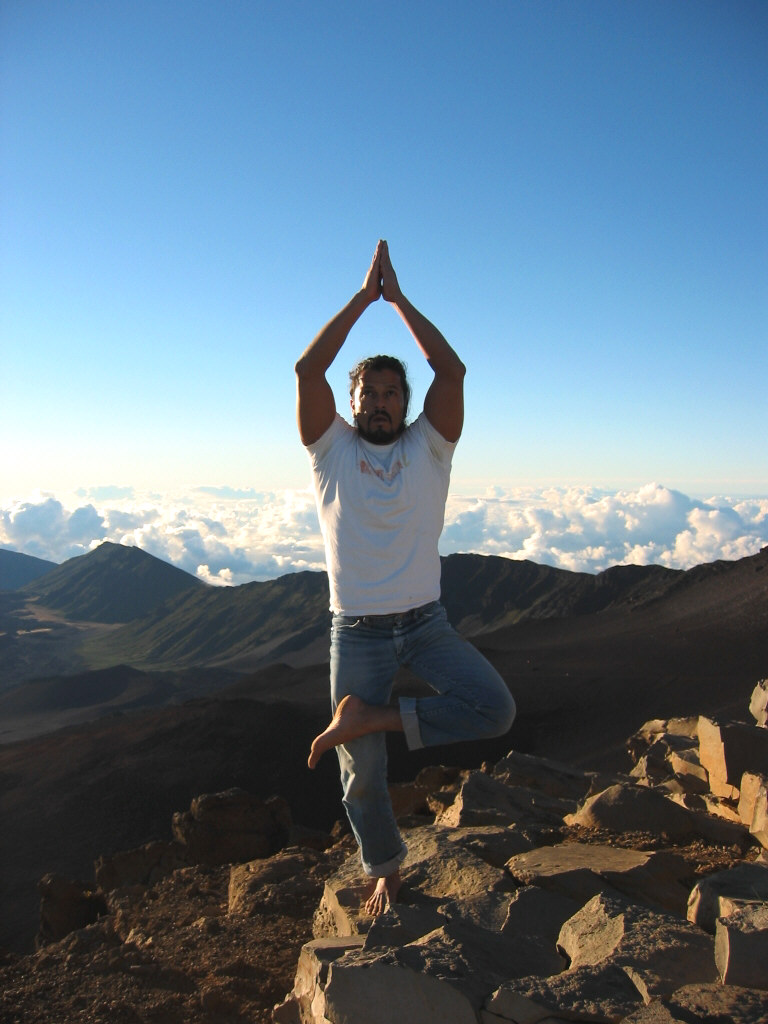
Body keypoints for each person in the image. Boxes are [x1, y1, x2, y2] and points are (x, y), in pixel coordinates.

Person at [295, 239, 516, 916]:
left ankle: (372, 718)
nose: (382, 403)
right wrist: (364, 299)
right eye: (370, 393)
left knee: (495, 708)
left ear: (406, 403)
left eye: (393, 394)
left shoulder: (430, 445)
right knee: (360, 774)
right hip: (355, 632)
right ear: (354, 400)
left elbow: (452, 370)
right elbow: (308, 369)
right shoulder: (330, 449)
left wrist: (399, 303)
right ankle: (385, 866)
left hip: (426, 625)